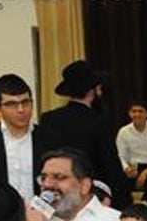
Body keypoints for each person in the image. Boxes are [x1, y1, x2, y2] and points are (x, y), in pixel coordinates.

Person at [39, 59, 131, 209]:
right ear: (93, 90)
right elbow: (110, 164)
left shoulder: (49, 119)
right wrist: (122, 202)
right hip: (91, 195)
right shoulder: (99, 121)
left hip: (57, 192)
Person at [0, 73, 62, 200]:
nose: (21, 109)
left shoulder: (51, 139)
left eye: (25, 102)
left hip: (42, 214)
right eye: (12, 104)